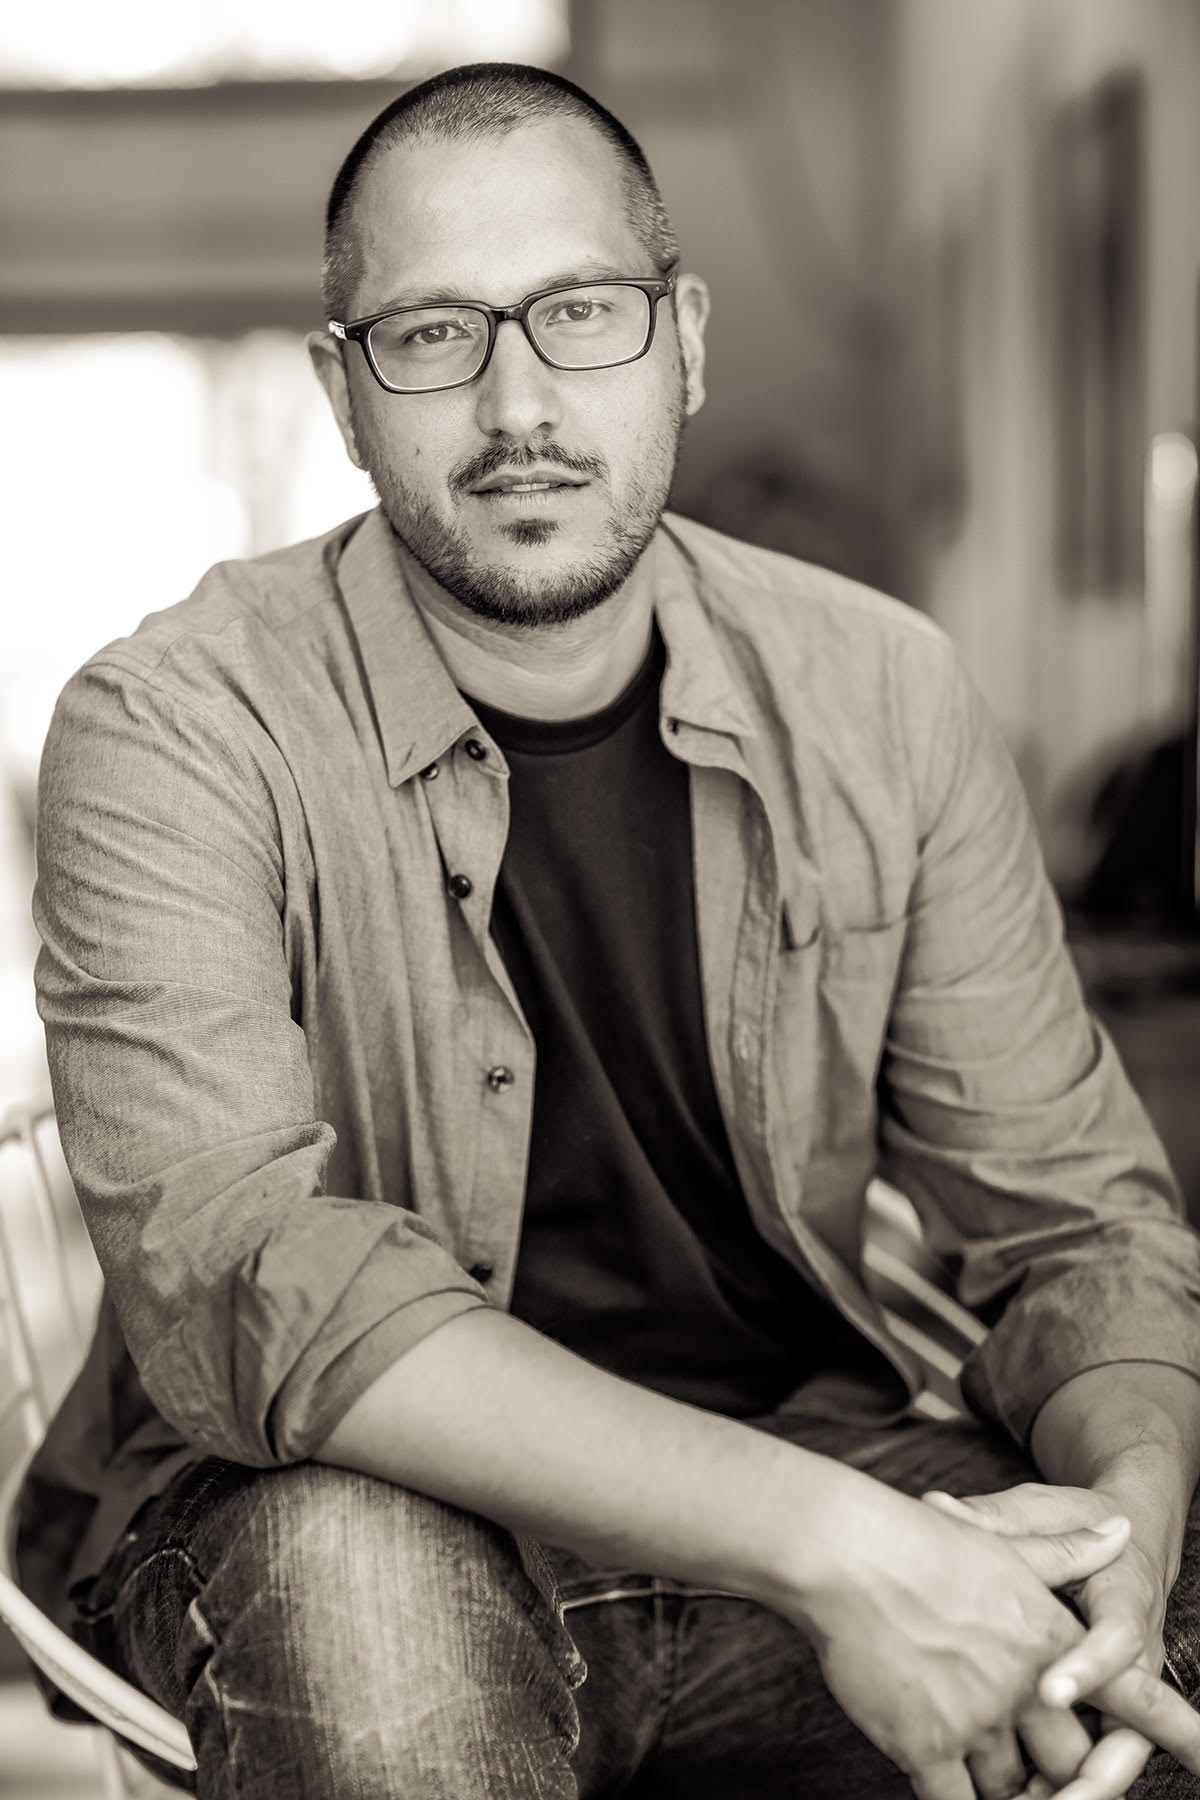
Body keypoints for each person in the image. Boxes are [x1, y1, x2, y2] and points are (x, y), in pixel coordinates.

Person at [18, 60, 1200, 1800]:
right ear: (342, 398)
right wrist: (833, 1544)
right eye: (431, 335)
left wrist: (1128, 1526)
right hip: (340, 1505)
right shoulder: (172, 724)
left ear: (685, 341)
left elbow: (1071, 1220)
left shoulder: (883, 689)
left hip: (808, 1442)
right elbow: (243, 1283)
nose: (518, 404)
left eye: (580, 313)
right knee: (375, 1629)